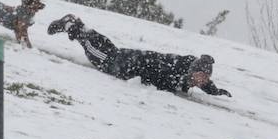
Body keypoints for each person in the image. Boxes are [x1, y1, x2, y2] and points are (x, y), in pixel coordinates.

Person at [47, 14, 231, 97]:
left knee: (105, 47)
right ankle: (71, 26)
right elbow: (166, 82)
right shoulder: (175, 72)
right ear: (193, 71)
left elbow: (199, 78)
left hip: (131, 58)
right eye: (200, 77)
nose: (202, 81)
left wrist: (214, 90)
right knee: (95, 52)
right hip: (125, 64)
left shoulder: (191, 67)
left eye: (205, 78)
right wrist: (183, 82)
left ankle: (77, 24)